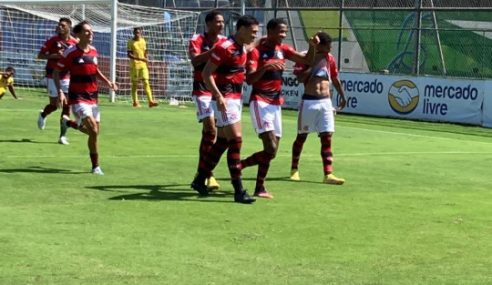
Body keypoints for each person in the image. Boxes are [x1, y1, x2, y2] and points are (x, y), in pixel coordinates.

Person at [240, 18, 318, 199]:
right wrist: (266, 66)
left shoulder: (283, 50)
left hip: (275, 104)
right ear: (270, 31)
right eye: (280, 32)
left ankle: (256, 183)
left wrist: (312, 46)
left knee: (272, 152)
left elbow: (307, 60)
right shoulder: (256, 52)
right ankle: (240, 168)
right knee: (270, 146)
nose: (283, 35)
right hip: (260, 101)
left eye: (285, 32)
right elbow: (250, 79)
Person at [191, 15, 259, 204]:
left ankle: (199, 180)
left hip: (235, 99)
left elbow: (254, 48)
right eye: (253, 32)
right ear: (242, 29)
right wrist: (218, 96)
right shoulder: (225, 47)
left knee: (222, 142)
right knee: (236, 140)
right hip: (225, 99)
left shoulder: (241, 47)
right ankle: (238, 190)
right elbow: (206, 73)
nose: (255, 35)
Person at [53, 20, 118, 175]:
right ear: (79, 34)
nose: (91, 34)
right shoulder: (71, 52)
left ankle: (68, 123)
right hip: (78, 97)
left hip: (93, 97)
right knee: (93, 131)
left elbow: (95, 70)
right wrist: (60, 91)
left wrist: (108, 82)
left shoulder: (94, 51)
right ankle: (96, 167)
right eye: (87, 31)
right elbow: (56, 72)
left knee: (94, 132)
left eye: (92, 31)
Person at [289, 32, 346, 184]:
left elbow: (334, 78)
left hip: (325, 102)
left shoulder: (330, 59)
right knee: (302, 137)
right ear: (319, 45)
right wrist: (312, 64)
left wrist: (342, 95)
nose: (330, 48)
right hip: (309, 101)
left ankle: (328, 174)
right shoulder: (305, 57)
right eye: (328, 45)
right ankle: (294, 169)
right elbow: (300, 78)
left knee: (327, 137)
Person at [188, 10, 227, 191]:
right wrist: (214, 51)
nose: (221, 24)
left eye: (222, 22)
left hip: (219, 90)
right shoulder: (197, 39)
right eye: (218, 21)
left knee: (212, 134)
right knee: (211, 129)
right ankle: (209, 174)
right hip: (202, 90)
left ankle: (201, 172)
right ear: (209, 23)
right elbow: (195, 61)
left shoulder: (225, 41)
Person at [37, 17, 78, 145]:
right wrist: (55, 55)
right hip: (52, 75)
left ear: (69, 27)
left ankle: (62, 136)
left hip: (67, 76)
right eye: (59, 25)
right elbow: (40, 55)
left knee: (67, 106)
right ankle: (43, 114)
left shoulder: (74, 43)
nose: (60, 27)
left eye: (63, 25)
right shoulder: (52, 41)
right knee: (54, 105)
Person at [127, 27, 158, 108]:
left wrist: (147, 61)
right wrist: (140, 59)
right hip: (134, 66)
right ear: (133, 33)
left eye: (139, 32)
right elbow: (129, 55)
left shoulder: (143, 41)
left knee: (146, 82)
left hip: (143, 65)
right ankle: (135, 102)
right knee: (135, 84)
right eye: (136, 32)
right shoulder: (130, 42)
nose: (137, 34)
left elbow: (145, 53)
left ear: (141, 33)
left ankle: (150, 101)